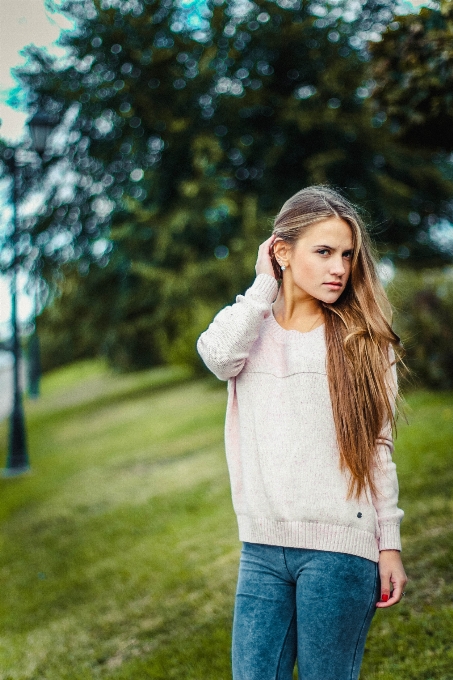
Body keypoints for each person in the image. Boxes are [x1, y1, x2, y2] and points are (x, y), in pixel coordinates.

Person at [197, 186, 408, 680]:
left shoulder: (363, 341)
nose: (340, 267)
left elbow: (378, 448)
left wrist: (389, 544)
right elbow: (215, 356)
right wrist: (260, 289)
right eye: (324, 252)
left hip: (341, 550)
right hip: (262, 549)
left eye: (348, 255)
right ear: (281, 251)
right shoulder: (248, 330)